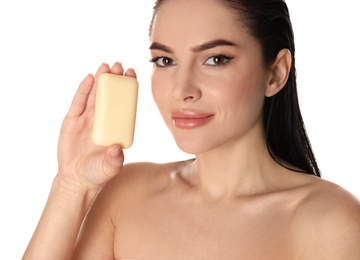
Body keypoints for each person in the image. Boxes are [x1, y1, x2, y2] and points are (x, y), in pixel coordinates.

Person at [23, 0, 360, 259]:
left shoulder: (330, 222)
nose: (183, 89)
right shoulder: (125, 196)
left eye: (215, 59)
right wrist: (69, 185)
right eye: (165, 61)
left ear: (275, 73)